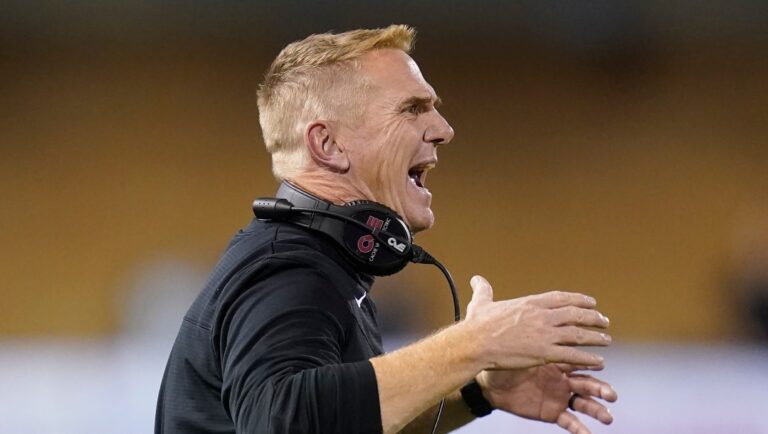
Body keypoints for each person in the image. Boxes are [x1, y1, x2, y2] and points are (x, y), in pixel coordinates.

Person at [155, 25, 617, 434]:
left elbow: (336, 423)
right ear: (329, 144)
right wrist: (474, 344)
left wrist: (474, 395)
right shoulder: (291, 269)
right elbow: (280, 420)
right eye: (413, 109)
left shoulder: (317, 261)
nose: (443, 129)